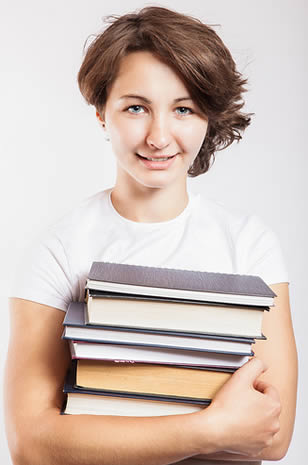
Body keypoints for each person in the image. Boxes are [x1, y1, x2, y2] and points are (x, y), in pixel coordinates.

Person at [4, 6, 297, 465]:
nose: (159, 137)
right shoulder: (59, 250)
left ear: (208, 119)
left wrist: (98, 437)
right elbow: (31, 444)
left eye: (183, 109)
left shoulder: (249, 244)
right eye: (136, 108)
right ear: (102, 112)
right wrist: (210, 428)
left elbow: (273, 437)